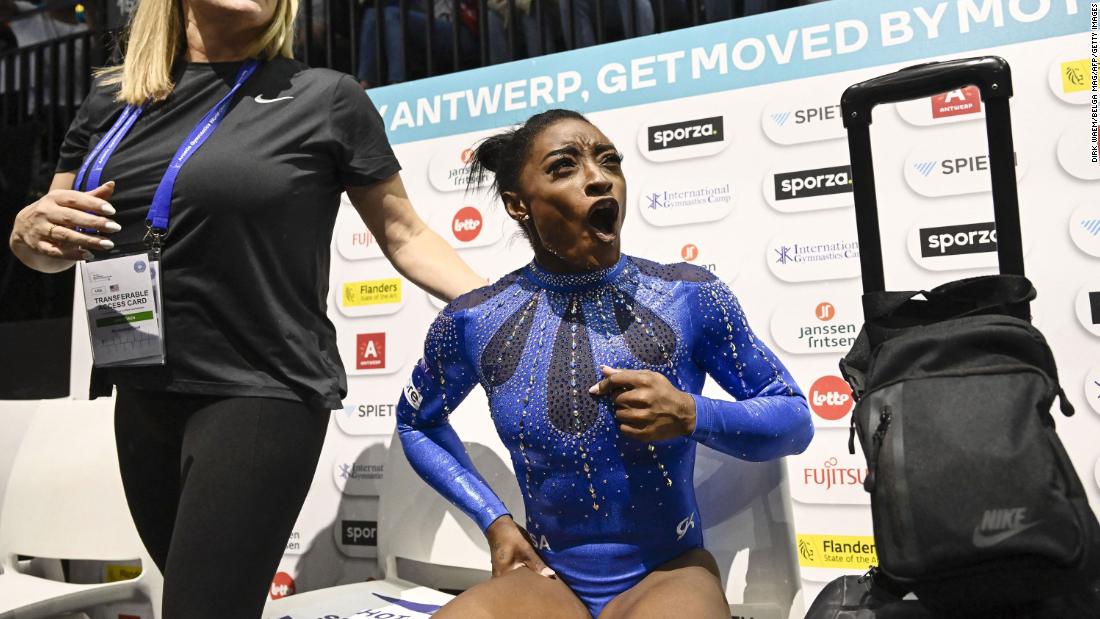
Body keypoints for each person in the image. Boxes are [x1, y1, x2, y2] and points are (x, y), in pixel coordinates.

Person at [7, 0, 484, 616]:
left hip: (262, 389)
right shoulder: (111, 103)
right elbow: (53, 244)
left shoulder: (325, 97)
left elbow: (405, 235)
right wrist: (26, 234)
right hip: (144, 392)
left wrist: (507, 303)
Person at [395, 108, 814, 618]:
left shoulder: (688, 295)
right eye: (564, 167)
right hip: (549, 580)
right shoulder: (474, 319)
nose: (597, 178)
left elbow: (794, 421)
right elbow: (416, 423)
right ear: (517, 205)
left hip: (668, 572)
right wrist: (495, 521)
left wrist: (690, 413)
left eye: (609, 161)